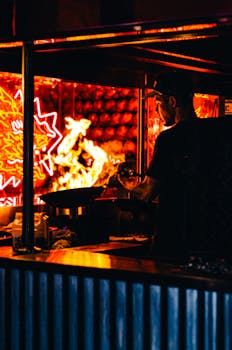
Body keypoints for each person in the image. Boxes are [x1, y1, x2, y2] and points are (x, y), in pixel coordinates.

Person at [131, 70, 199, 262]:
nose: (156, 111)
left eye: (158, 103)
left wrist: (127, 185)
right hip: (202, 236)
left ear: (172, 102)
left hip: (173, 236)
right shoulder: (209, 133)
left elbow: (147, 193)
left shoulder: (169, 139)